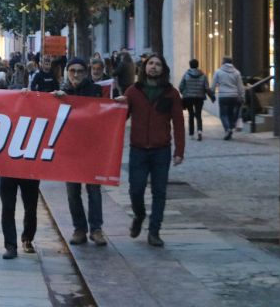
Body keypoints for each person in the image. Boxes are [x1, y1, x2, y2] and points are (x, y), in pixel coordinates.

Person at [120, 54, 184, 246]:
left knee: (159, 192)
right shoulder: (133, 91)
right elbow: (121, 117)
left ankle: (154, 231)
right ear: (144, 68)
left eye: (158, 64)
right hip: (138, 149)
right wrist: (117, 105)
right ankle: (139, 216)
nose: (154, 67)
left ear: (163, 69)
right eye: (150, 64)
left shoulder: (171, 93)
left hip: (161, 150)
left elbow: (179, 123)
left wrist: (179, 151)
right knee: (135, 190)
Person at [53, 57, 108, 246]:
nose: (76, 74)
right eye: (72, 71)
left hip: (91, 149)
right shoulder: (60, 93)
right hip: (70, 150)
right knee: (72, 192)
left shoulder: (96, 91)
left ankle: (96, 229)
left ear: (86, 72)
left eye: (80, 71)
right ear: (67, 73)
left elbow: (106, 115)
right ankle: (79, 229)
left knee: (94, 190)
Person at [179, 59, 213, 141]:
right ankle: (200, 131)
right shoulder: (203, 75)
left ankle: (191, 134)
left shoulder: (186, 74)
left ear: (190, 65)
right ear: (197, 65)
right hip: (199, 97)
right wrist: (212, 96)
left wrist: (184, 93)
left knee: (191, 114)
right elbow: (206, 88)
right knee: (198, 114)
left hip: (188, 97)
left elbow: (180, 86)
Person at [211, 57, 245, 140]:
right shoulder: (237, 72)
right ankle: (230, 127)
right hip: (234, 96)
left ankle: (227, 129)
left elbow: (213, 85)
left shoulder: (218, 72)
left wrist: (212, 93)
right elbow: (240, 86)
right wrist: (242, 96)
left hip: (223, 96)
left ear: (223, 62)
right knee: (230, 114)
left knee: (223, 114)